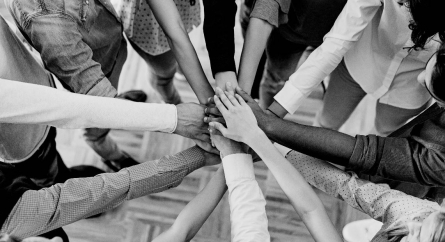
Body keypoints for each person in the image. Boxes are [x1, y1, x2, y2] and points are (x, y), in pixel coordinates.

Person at [205, 43, 445, 201]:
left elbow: (374, 153)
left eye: (436, 97)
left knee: (383, 139)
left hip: (411, 186)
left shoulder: (436, 163)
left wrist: (265, 127)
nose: (420, 77)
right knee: (330, 124)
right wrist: (264, 129)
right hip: (361, 64)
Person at [209, 87, 445, 242]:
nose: (413, 225)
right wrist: (262, 139)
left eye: (418, 236)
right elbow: (337, 192)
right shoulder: (418, 215)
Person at [266, 0, 445, 136]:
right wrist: (274, 114)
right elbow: (336, 42)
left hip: (412, 87)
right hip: (359, 62)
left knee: (384, 135)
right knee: (326, 122)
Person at [4, 0, 147, 167]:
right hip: (97, 80)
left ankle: (117, 96)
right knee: (97, 130)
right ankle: (112, 156)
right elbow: (96, 92)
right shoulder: (47, 20)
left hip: (109, 55)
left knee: (112, 91)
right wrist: (165, 117)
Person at [236, 0, 346, 108]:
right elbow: (266, 9)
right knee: (275, 80)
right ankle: (264, 117)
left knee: (331, 85)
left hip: (338, 36)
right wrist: (242, 95)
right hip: (289, 33)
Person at [112, 0, 201, 105]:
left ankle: (180, 68)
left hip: (181, 7)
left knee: (180, 44)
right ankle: (172, 102)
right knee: (163, 76)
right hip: (150, 22)